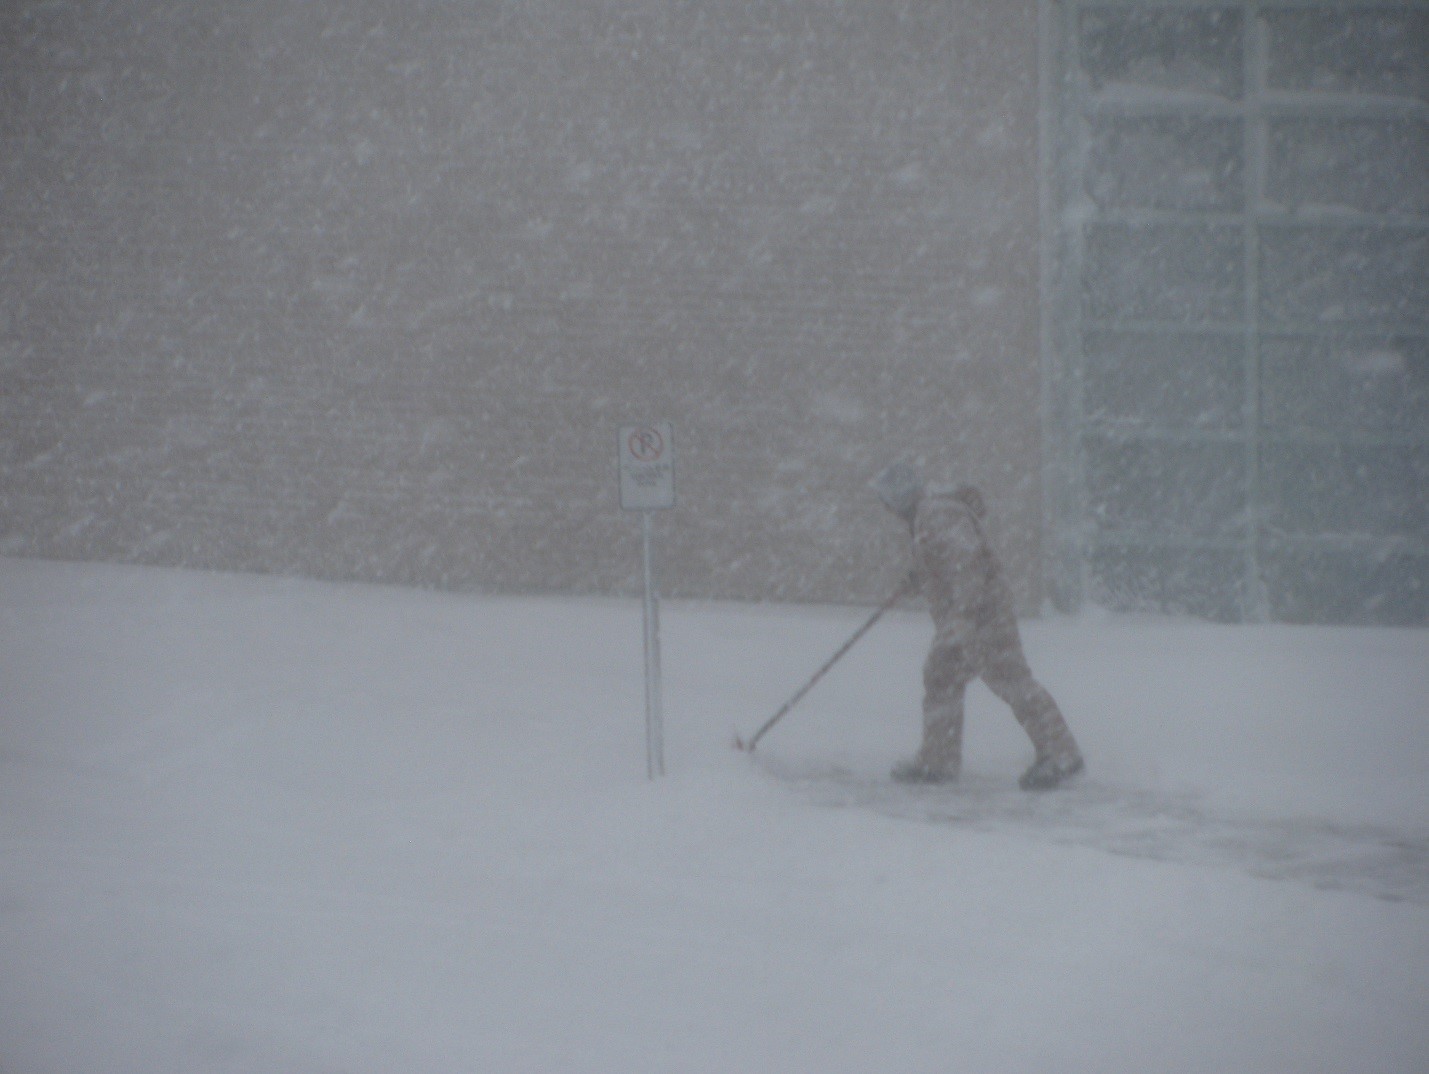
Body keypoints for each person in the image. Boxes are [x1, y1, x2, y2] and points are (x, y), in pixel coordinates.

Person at [871, 461, 1085, 791]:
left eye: (886, 500)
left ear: (899, 496)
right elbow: (944, 560)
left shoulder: (936, 514)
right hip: (964, 617)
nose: (884, 508)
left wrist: (963, 618)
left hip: (983, 616)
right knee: (941, 676)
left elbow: (966, 565)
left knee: (1011, 680)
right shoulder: (925, 517)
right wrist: (918, 578)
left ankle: (1061, 754)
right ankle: (937, 761)